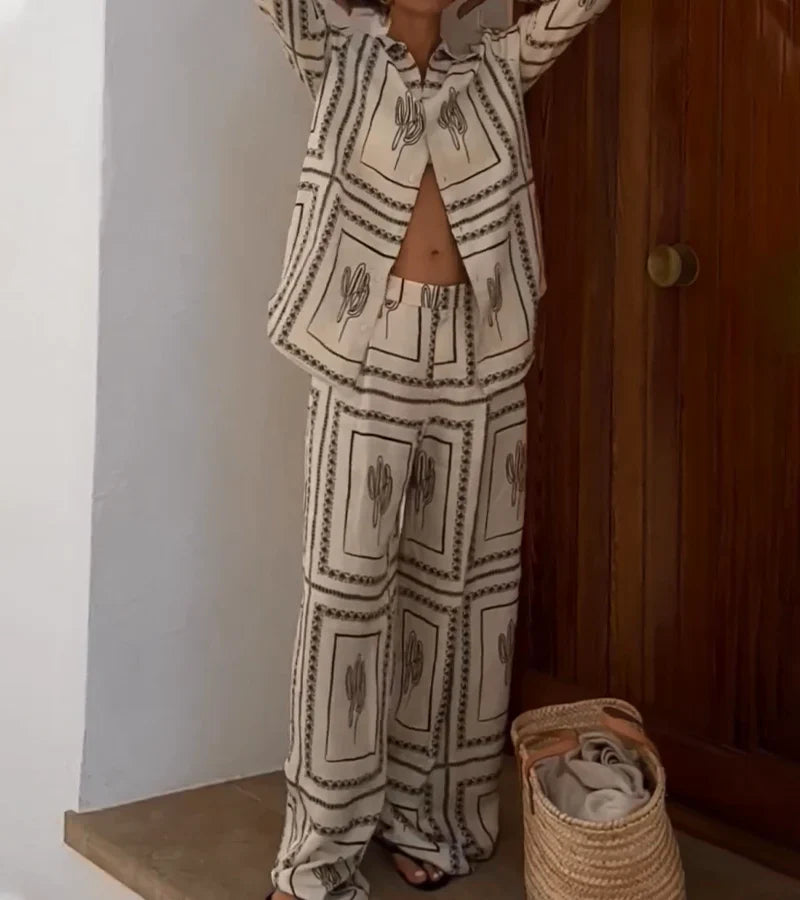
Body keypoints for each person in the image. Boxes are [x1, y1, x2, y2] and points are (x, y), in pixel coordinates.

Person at [254, 0, 612, 895]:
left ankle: (430, 816)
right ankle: (320, 851)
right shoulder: (334, 53)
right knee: (344, 597)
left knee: (458, 600)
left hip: (477, 357)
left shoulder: (494, 67)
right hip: (365, 345)